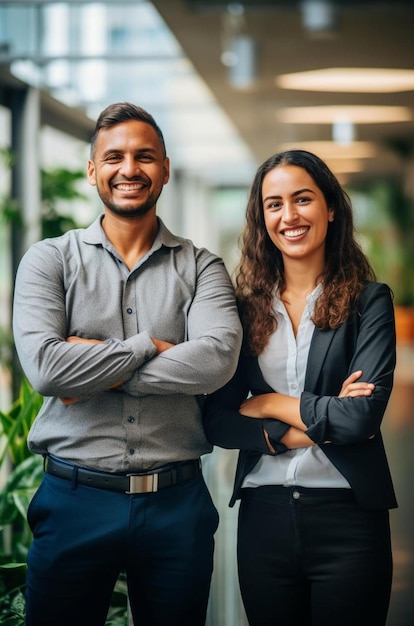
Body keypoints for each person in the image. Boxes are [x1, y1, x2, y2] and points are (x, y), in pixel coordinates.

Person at [12, 102, 242, 626]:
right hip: (74, 502)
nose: (129, 169)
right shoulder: (49, 260)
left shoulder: (202, 265)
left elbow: (217, 361)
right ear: (93, 170)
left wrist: (89, 369)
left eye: (144, 156)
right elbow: (47, 370)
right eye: (113, 157)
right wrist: (149, 347)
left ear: (164, 168)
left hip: (176, 505)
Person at [203, 149, 397, 626]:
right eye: (274, 204)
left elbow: (360, 419)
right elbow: (218, 420)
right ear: (260, 217)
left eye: (302, 199)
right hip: (261, 519)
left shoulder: (369, 303)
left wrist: (268, 403)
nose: (288, 216)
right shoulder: (243, 309)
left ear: (331, 207)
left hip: (348, 518)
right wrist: (312, 422)